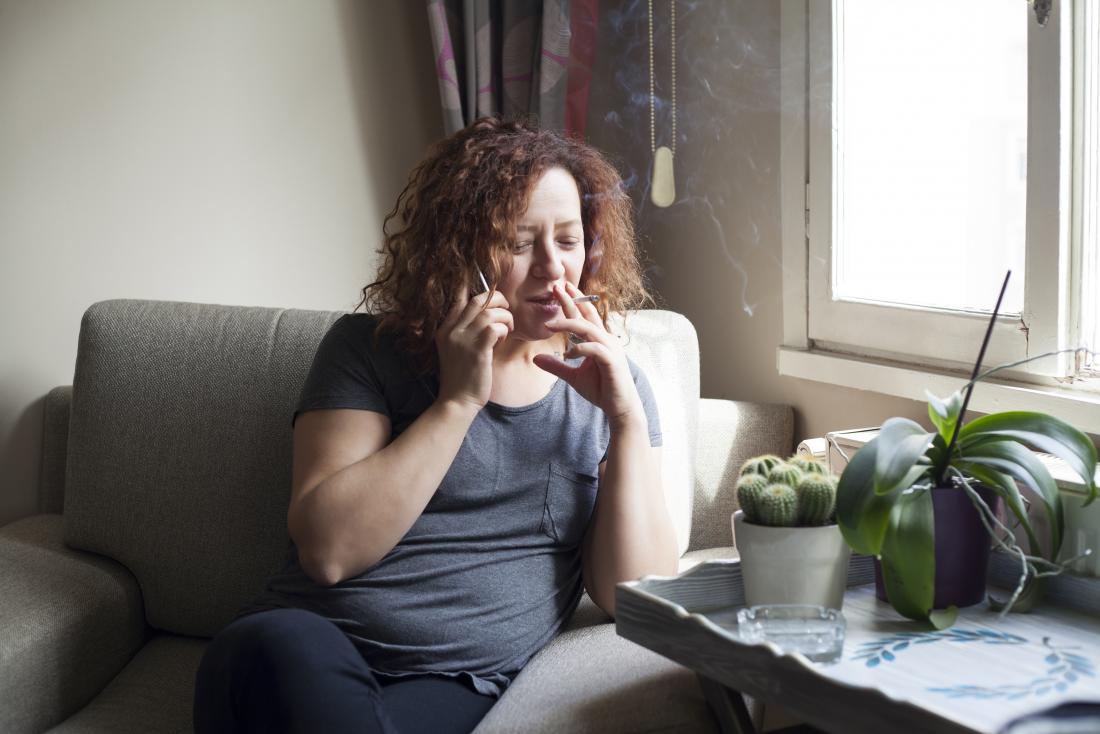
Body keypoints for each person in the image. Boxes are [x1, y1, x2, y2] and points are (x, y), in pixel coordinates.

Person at [192, 116, 679, 734]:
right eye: (520, 241)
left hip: (450, 684)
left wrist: (627, 421)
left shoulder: (614, 388)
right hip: (298, 649)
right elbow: (328, 553)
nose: (553, 269)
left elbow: (636, 594)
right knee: (276, 654)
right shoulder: (367, 350)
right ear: (462, 251)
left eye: (568, 239)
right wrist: (457, 402)